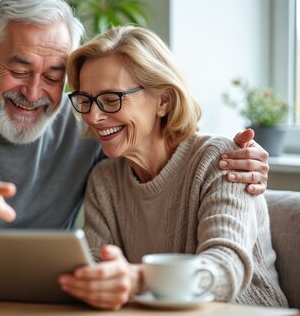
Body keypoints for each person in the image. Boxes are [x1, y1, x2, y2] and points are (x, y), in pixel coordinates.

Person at [0, 0, 270, 277]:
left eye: (53, 76)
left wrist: (235, 158)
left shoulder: (86, 122)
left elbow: (156, 138)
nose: (33, 92)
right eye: (19, 70)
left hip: (37, 302)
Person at [58, 26, 287, 309]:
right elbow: (97, 268)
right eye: (86, 100)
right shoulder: (105, 179)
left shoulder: (221, 159)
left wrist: (140, 279)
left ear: (163, 102)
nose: (93, 116)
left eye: (110, 99)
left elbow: (226, 270)